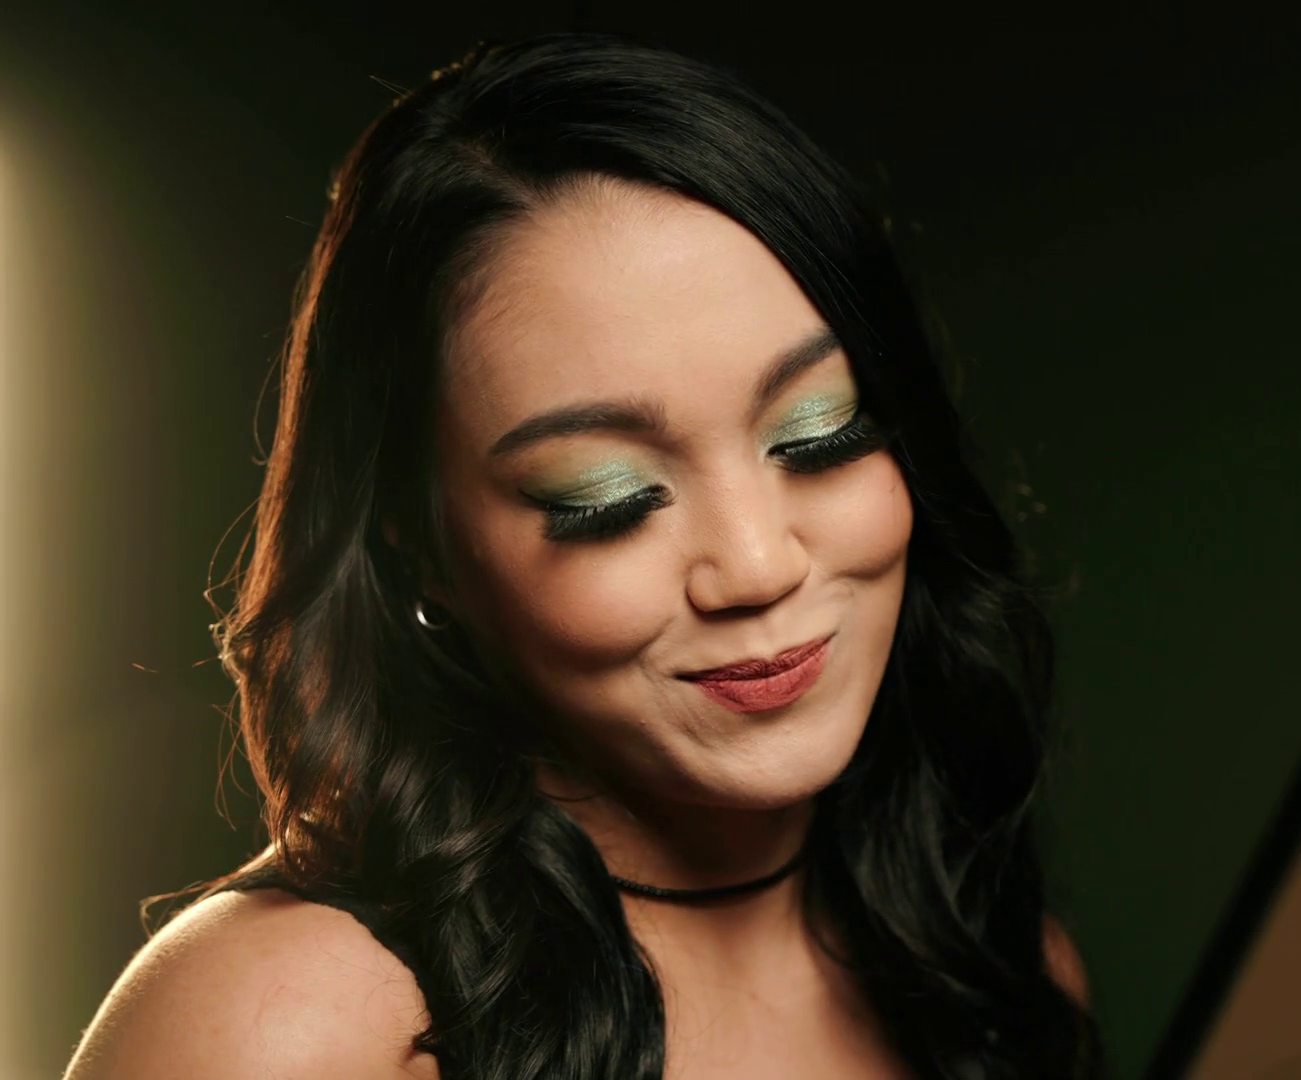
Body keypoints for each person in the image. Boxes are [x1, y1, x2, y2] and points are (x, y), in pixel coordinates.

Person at [62, 33, 1100, 1080]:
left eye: (818, 434)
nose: (756, 565)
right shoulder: (286, 1027)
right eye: (606, 499)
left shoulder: (1008, 977)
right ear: (418, 546)